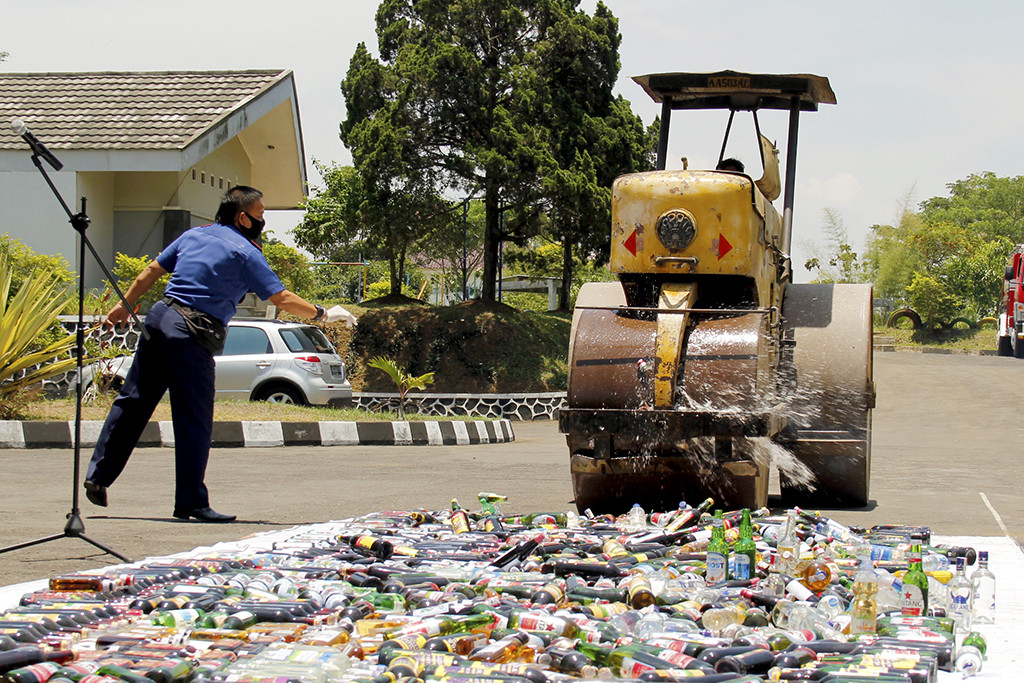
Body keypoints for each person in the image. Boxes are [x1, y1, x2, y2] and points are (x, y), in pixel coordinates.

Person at [84, 186, 348, 522]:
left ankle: (97, 476)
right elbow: (280, 298)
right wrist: (323, 314)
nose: (263, 220)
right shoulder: (246, 252)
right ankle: (190, 502)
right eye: (261, 214)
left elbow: (149, 272)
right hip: (191, 332)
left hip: (159, 318)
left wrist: (123, 306)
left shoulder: (194, 235)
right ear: (243, 217)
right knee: (193, 418)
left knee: (133, 401)